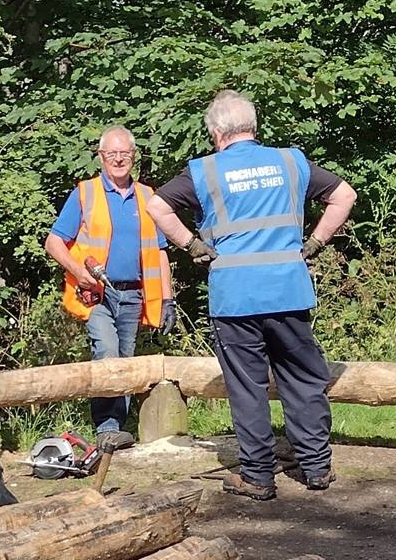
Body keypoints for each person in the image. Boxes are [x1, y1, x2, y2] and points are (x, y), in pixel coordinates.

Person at [146, 90, 357, 500]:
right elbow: (344, 195)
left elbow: (156, 206)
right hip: (288, 288)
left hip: (235, 295)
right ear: (253, 127)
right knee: (302, 379)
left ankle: (258, 476)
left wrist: (192, 246)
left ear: (215, 132)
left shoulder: (203, 172)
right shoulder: (289, 161)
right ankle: (315, 467)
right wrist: (314, 243)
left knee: (247, 387)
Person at [44, 125, 177, 450]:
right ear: (101, 157)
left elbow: (160, 251)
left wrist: (168, 298)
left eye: (124, 153)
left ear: (133, 156)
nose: (119, 159)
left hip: (133, 293)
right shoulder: (85, 193)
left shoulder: (147, 197)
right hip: (95, 294)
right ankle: (107, 428)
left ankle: (118, 427)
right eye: (112, 154)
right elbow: (53, 242)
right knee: (106, 351)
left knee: (126, 359)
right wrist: (79, 271)